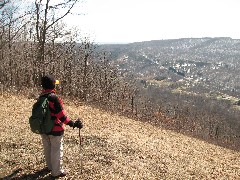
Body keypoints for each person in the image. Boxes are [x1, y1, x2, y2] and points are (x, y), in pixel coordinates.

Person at [40, 75, 83, 178]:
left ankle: (50, 167)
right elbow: (61, 116)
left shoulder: (41, 97)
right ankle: (57, 172)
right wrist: (73, 124)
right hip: (55, 129)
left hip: (43, 128)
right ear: (53, 85)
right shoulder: (54, 98)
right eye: (55, 84)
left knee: (47, 148)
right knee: (56, 150)